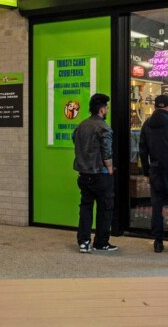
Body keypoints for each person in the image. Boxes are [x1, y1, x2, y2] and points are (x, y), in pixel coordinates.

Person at [139, 94, 168, 253]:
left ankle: (158, 242)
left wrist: (146, 172)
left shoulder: (147, 124)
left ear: (154, 106)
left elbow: (143, 150)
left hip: (156, 171)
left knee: (157, 206)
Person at [73, 93, 118, 253]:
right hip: (100, 174)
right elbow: (107, 151)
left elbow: (75, 142)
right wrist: (110, 168)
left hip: (84, 174)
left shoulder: (81, 125)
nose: (107, 110)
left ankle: (84, 242)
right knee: (105, 208)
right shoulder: (104, 127)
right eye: (107, 108)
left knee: (86, 207)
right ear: (101, 110)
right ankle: (101, 242)